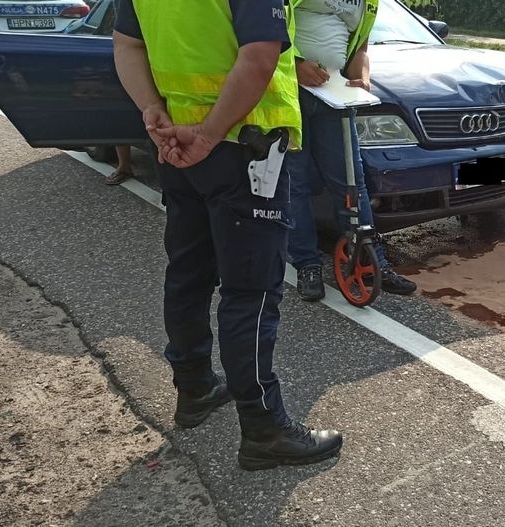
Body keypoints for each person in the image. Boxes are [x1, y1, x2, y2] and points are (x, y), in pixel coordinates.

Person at [112, 0, 343, 471]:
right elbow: (260, 56)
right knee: (251, 291)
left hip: (177, 142)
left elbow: (127, 43)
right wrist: (211, 133)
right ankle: (264, 428)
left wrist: (153, 110)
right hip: (245, 145)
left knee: (189, 273)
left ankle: (194, 388)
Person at [285, 0, 417, 302]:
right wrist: (295, 64)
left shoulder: (368, 3)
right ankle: (307, 265)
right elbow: (269, 32)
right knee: (296, 183)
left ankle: (371, 263)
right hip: (292, 92)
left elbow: (359, 49)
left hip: (336, 96)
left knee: (351, 183)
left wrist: (363, 78)